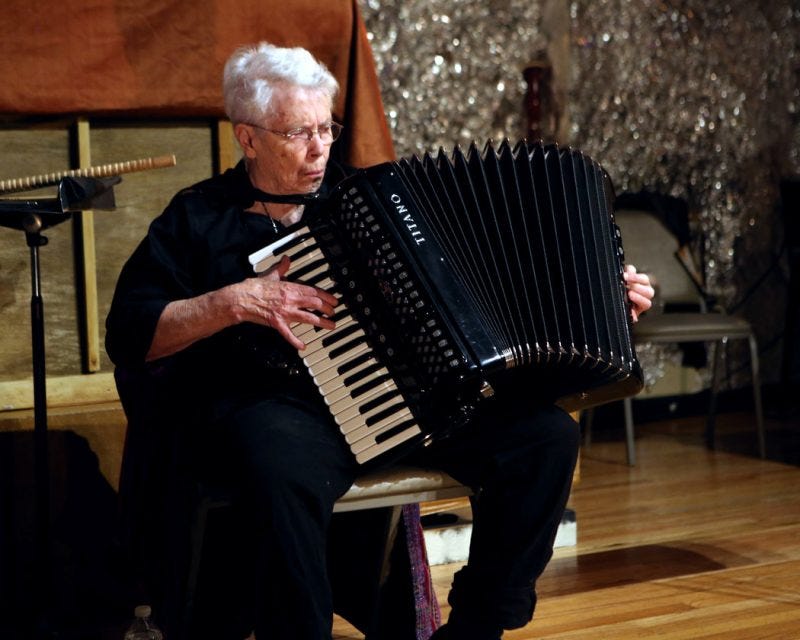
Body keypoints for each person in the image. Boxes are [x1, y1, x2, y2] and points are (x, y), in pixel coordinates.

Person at [106, 41, 654, 640]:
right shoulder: (197, 217)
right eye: (297, 134)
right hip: (286, 409)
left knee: (546, 438)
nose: (319, 149)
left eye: (326, 129)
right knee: (275, 461)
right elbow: (132, 335)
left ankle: (478, 626)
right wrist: (234, 300)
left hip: (411, 397)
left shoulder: (375, 197)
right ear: (248, 137)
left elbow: (490, 280)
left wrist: (601, 291)